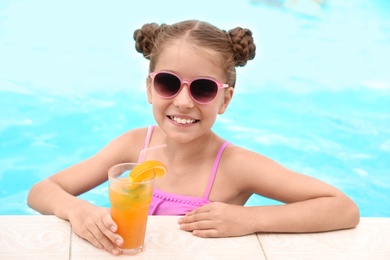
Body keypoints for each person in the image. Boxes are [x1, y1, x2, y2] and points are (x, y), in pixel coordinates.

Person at [27, 19, 360, 256]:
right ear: (149, 88)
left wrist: (249, 219)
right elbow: (41, 192)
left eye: (203, 88)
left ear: (225, 100)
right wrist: (77, 210)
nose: (183, 101)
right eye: (169, 83)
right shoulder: (134, 146)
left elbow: (342, 208)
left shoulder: (236, 166)